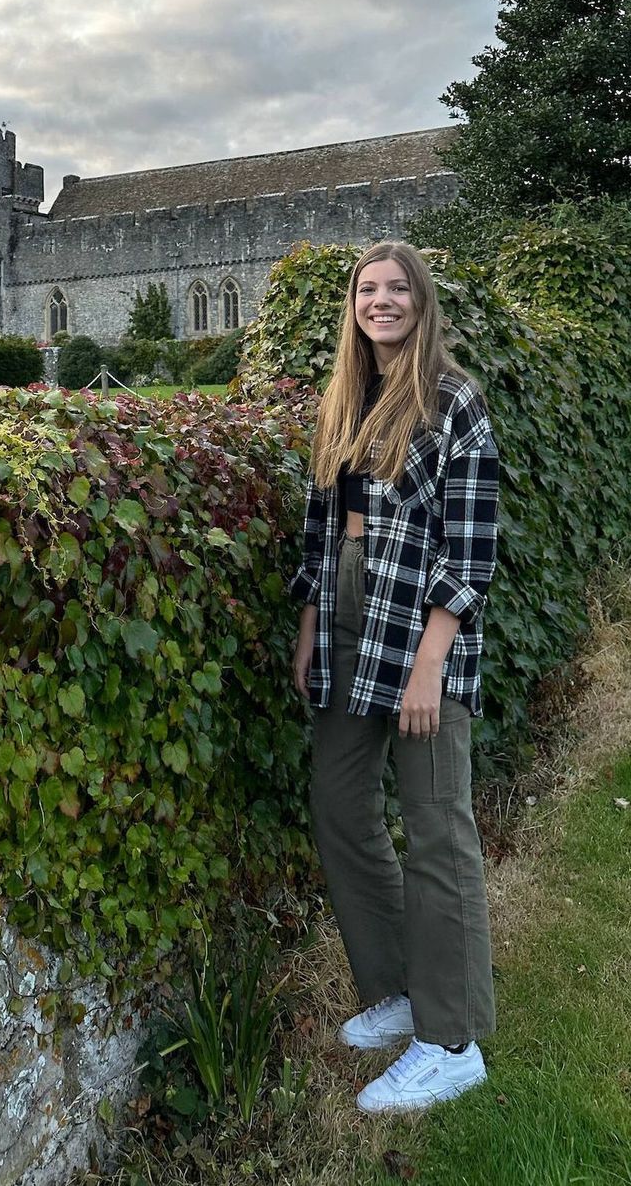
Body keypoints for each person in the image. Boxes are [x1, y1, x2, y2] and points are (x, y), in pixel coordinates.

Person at [289, 240, 499, 1114]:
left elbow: (472, 547)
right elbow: (318, 521)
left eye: (397, 288)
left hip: (420, 632)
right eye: (367, 289)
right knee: (339, 802)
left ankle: (451, 1042)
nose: (382, 301)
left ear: (422, 301)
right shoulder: (346, 397)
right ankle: (398, 989)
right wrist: (308, 626)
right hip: (345, 624)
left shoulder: (456, 402)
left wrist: (430, 665)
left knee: (436, 826)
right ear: (353, 305)